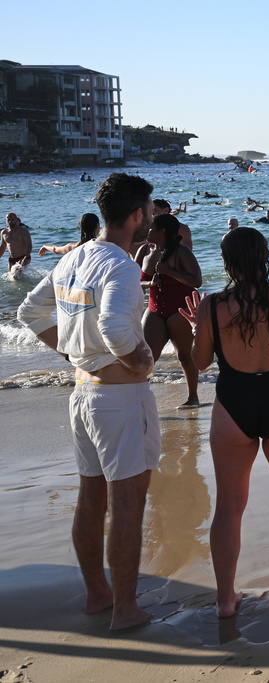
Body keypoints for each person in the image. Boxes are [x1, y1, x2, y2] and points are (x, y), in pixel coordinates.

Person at [17, 173, 160, 630]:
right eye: (151, 210)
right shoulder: (120, 264)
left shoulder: (74, 258)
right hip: (118, 397)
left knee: (91, 496)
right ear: (136, 215)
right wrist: (141, 358)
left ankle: (99, 595)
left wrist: (71, 350)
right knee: (128, 503)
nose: (153, 218)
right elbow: (118, 327)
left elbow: (30, 311)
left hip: (83, 393)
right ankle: (125, 608)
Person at [179, 227, 269, 618]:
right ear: (265, 255)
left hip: (233, 406)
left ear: (228, 262)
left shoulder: (212, 305)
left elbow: (200, 363)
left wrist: (198, 328)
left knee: (229, 505)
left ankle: (226, 599)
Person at [136, 213, 202, 408]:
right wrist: (150, 282)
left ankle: (193, 398)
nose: (147, 230)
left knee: (184, 354)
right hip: (154, 308)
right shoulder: (144, 250)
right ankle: (138, 397)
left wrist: (168, 271)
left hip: (180, 309)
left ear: (162, 231)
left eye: (151, 227)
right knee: (146, 356)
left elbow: (197, 281)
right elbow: (134, 281)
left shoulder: (182, 252)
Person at [1, 212, 32, 277]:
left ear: (16, 220)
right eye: (8, 219)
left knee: (15, 275)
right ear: (6, 220)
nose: (10, 221)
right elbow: (3, 246)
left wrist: (26, 257)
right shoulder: (4, 232)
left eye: (12, 219)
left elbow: (29, 245)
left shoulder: (23, 231)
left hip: (23, 257)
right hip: (11, 259)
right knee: (11, 278)